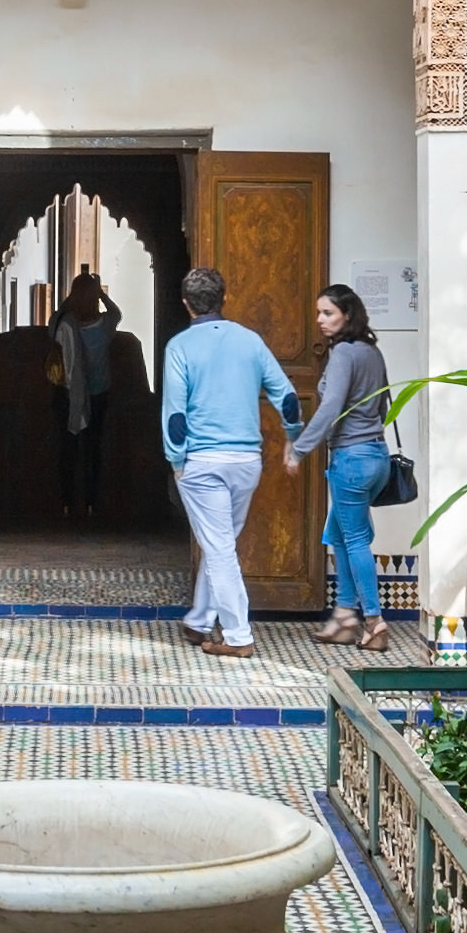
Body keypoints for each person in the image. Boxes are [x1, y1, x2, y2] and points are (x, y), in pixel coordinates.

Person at [155, 265, 294, 654]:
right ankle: (200, 620)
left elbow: (175, 414)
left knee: (218, 548)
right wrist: (294, 437)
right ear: (225, 298)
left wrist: (176, 461)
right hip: (246, 460)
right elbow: (286, 395)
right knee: (220, 542)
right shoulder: (250, 341)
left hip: (202, 462)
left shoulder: (180, 346)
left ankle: (238, 636)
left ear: (186, 304)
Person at [293, 281, 400, 648]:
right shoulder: (373, 352)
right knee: (339, 535)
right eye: (319, 313)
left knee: (354, 540)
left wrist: (299, 448)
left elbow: (330, 408)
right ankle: (343, 616)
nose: (320, 320)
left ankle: (374, 622)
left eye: (328, 313)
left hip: (351, 459)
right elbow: (383, 406)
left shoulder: (343, 354)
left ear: (347, 315)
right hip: (377, 457)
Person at [54, 268, 129, 521]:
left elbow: (52, 324)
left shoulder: (66, 324)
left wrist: (71, 299)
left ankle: (66, 503)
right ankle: (91, 503)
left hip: (70, 395)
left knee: (68, 450)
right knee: (93, 450)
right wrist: (100, 293)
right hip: (98, 394)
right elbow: (117, 313)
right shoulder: (105, 325)